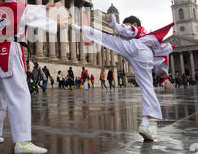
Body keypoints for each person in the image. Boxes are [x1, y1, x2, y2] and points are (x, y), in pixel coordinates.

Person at [0, 0, 58, 154]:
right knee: (21, 94)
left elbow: (30, 11)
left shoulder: (3, 7)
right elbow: (39, 19)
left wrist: (43, 7)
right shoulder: (19, 7)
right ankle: (23, 142)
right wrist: (59, 23)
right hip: (11, 49)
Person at [74, 14, 174, 142]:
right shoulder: (150, 38)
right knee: (147, 89)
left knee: (106, 38)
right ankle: (145, 124)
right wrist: (163, 75)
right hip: (145, 56)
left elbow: (127, 30)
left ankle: (77, 27)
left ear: (134, 24)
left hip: (135, 47)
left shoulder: (137, 29)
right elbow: (163, 59)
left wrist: (115, 24)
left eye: (126, 24)